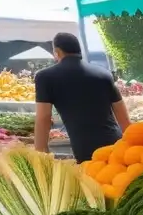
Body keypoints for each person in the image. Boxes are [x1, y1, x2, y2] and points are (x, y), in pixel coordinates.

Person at [33, 32, 128, 163]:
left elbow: (43, 117)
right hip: (115, 142)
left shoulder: (45, 77)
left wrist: (40, 152)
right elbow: (121, 114)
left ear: (57, 52)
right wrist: (131, 144)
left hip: (86, 148)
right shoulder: (104, 74)